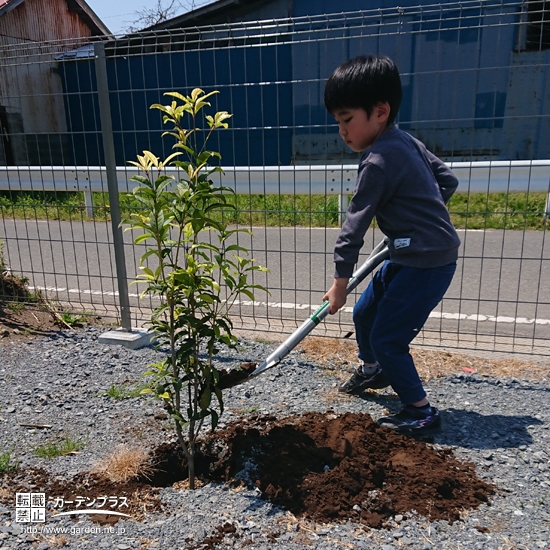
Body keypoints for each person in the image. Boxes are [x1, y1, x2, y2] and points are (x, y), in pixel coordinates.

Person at [322, 54, 461, 437]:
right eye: (338, 122)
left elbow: (354, 225)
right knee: (365, 313)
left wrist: (339, 284)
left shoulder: (378, 160)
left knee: (388, 337)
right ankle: (373, 370)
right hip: (412, 253)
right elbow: (447, 181)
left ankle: (420, 411)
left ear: (380, 111)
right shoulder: (406, 141)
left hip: (425, 263)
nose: (342, 131)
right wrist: (418, 220)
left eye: (347, 119)